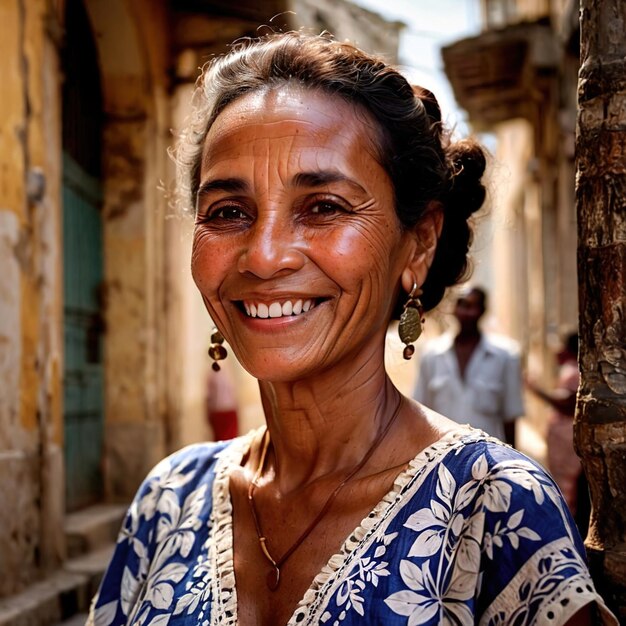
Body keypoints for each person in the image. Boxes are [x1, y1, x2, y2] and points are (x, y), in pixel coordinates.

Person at [87, 32, 616, 626]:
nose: (263, 257)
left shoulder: (494, 510)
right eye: (228, 212)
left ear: (418, 245)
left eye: (324, 208)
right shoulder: (168, 499)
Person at [413, 286, 523, 446]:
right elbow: (421, 412)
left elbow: (510, 416)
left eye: (472, 306)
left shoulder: (505, 356)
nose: (466, 312)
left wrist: (513, 461)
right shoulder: (432, 355)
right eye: (462, 305)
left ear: (482, 311)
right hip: (442, 456)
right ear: (454, 309)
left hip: (489, 457)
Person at [526, 333, 590, 536]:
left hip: (566, 442)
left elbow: (566, 403)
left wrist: (535, 390)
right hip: (563, 440)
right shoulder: (572, 369)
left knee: (567, 487)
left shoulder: (572, 371)